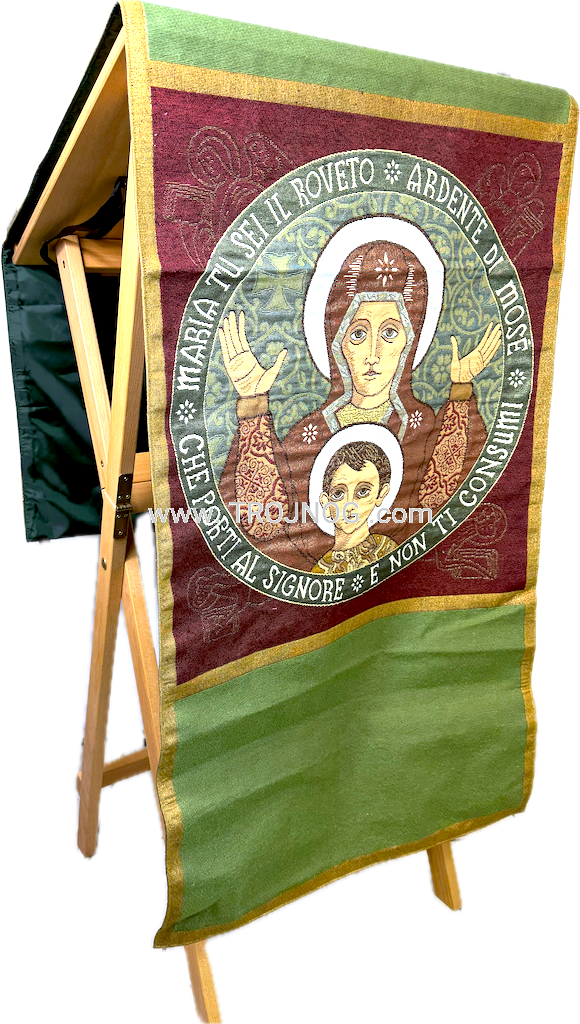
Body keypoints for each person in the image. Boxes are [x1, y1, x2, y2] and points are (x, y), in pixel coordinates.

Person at [217, 215, 501, 571]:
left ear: (410, 342)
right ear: (336, 342)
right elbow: (267, 526)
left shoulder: (422, 422)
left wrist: (460, 390)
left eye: (390, 333)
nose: (372, 355)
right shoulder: (310, 432)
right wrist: (253, 405)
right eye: (358, 334)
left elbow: (446, 501)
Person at [311, 440, 397, 575]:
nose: (349, 505)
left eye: (362, 491)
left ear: (381, 494)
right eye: (338, 494)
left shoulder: (386, 549)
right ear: (325, 502)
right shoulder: (320, 571)